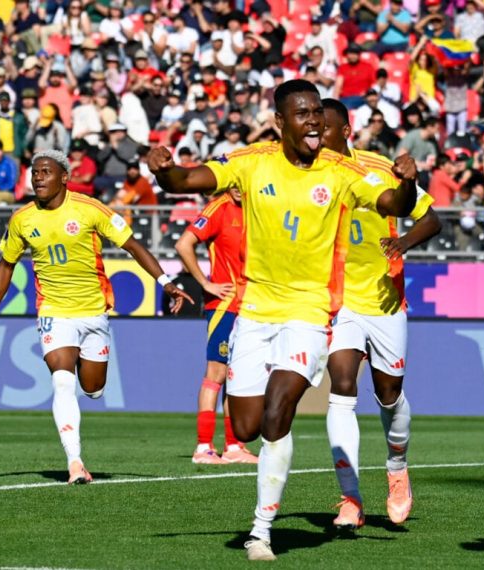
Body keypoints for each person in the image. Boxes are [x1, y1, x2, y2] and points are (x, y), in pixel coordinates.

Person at [147, 80, 418, 562]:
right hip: (254, 313)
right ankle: (267, 497)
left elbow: (395, 205)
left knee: (279, 407)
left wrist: (408, 182)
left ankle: (261, 530)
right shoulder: (251, 162)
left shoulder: (341, 170)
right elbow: (186, 182)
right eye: (302, 113)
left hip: (310, 314)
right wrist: (165, 171)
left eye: (317, 112)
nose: (313, 121)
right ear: (280, 122)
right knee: (248, 425)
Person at [0, 150, 192, 485]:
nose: (38, 178)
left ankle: (88, 383)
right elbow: (6, 265)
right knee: (62, 381)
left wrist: (167, 284)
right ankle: (75, 462)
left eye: (46, 172)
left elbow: (133, 246)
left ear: (64, 176)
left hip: (94, 312)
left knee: (92, 389)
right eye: (34, 173)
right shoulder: (22, 219)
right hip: (54, 312)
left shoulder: (89, 209)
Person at [319, 98, 441, 529]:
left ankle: (397, 470)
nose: (317, 136)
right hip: (339, 303)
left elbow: (431, 219)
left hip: (386, 301)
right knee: (342, 386)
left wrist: (403, 243)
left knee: (389, 396)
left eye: (325, 128)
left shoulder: (378, 168)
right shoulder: (308, 175)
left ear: (346, 131)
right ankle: (349, 497)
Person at [174, 186, 258, 465]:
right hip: (224, 303)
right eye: (231, 180)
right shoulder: (219, 208)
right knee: (216, 372)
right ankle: (203, 447)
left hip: (253, 304)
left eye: (241, 179)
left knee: (238, 375)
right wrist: (205, 282)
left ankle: (233, 447)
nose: (236, 186)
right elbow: (184, 244)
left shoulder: (260, 207)